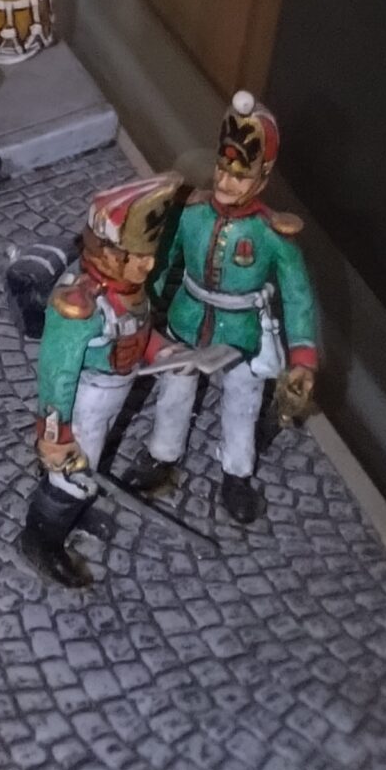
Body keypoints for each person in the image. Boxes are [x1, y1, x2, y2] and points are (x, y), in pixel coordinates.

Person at [120, 91, 321, 524]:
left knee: (242, 403)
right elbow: (161, 262)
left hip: (242, 334)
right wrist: (138, 307)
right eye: (223, 170)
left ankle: (237, 472)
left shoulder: (272, 234)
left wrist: (303, 356)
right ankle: (162, 455)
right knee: (174, 390)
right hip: (187, 321)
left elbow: (297, 295)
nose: (227, 182)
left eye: (240, 175)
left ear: (262, 179)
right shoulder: (191, 215)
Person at [19, 175, 185, 589]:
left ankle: (73, 513)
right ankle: (39, 542)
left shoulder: (132, 291)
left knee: (87, 469)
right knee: (71, 475)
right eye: (137, 256)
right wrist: (55, 436)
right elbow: (56, 375)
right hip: (85, 401)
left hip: (113, 394)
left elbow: (138, 334)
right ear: (108, 253)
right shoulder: (80, 306)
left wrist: (164, 353)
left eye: (149, 255)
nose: (148, 265)